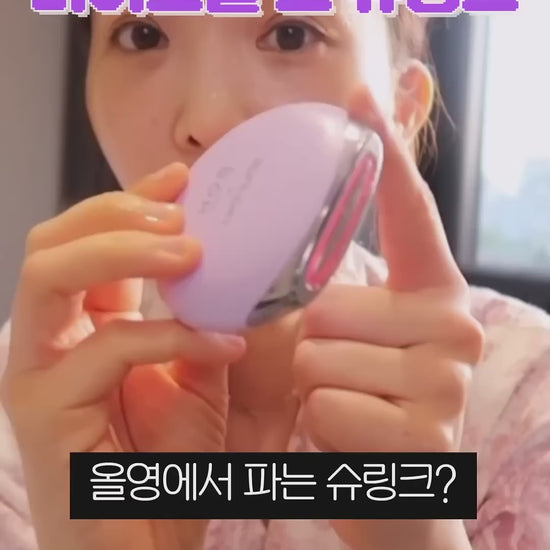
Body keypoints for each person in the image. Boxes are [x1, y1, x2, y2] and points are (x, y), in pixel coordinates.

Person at [0, 4, 549, 550]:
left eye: (291, 34)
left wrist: (415, 532)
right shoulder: (38, 396)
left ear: (401, 109)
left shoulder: (524, 395)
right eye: (143, 35)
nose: (209, 121)